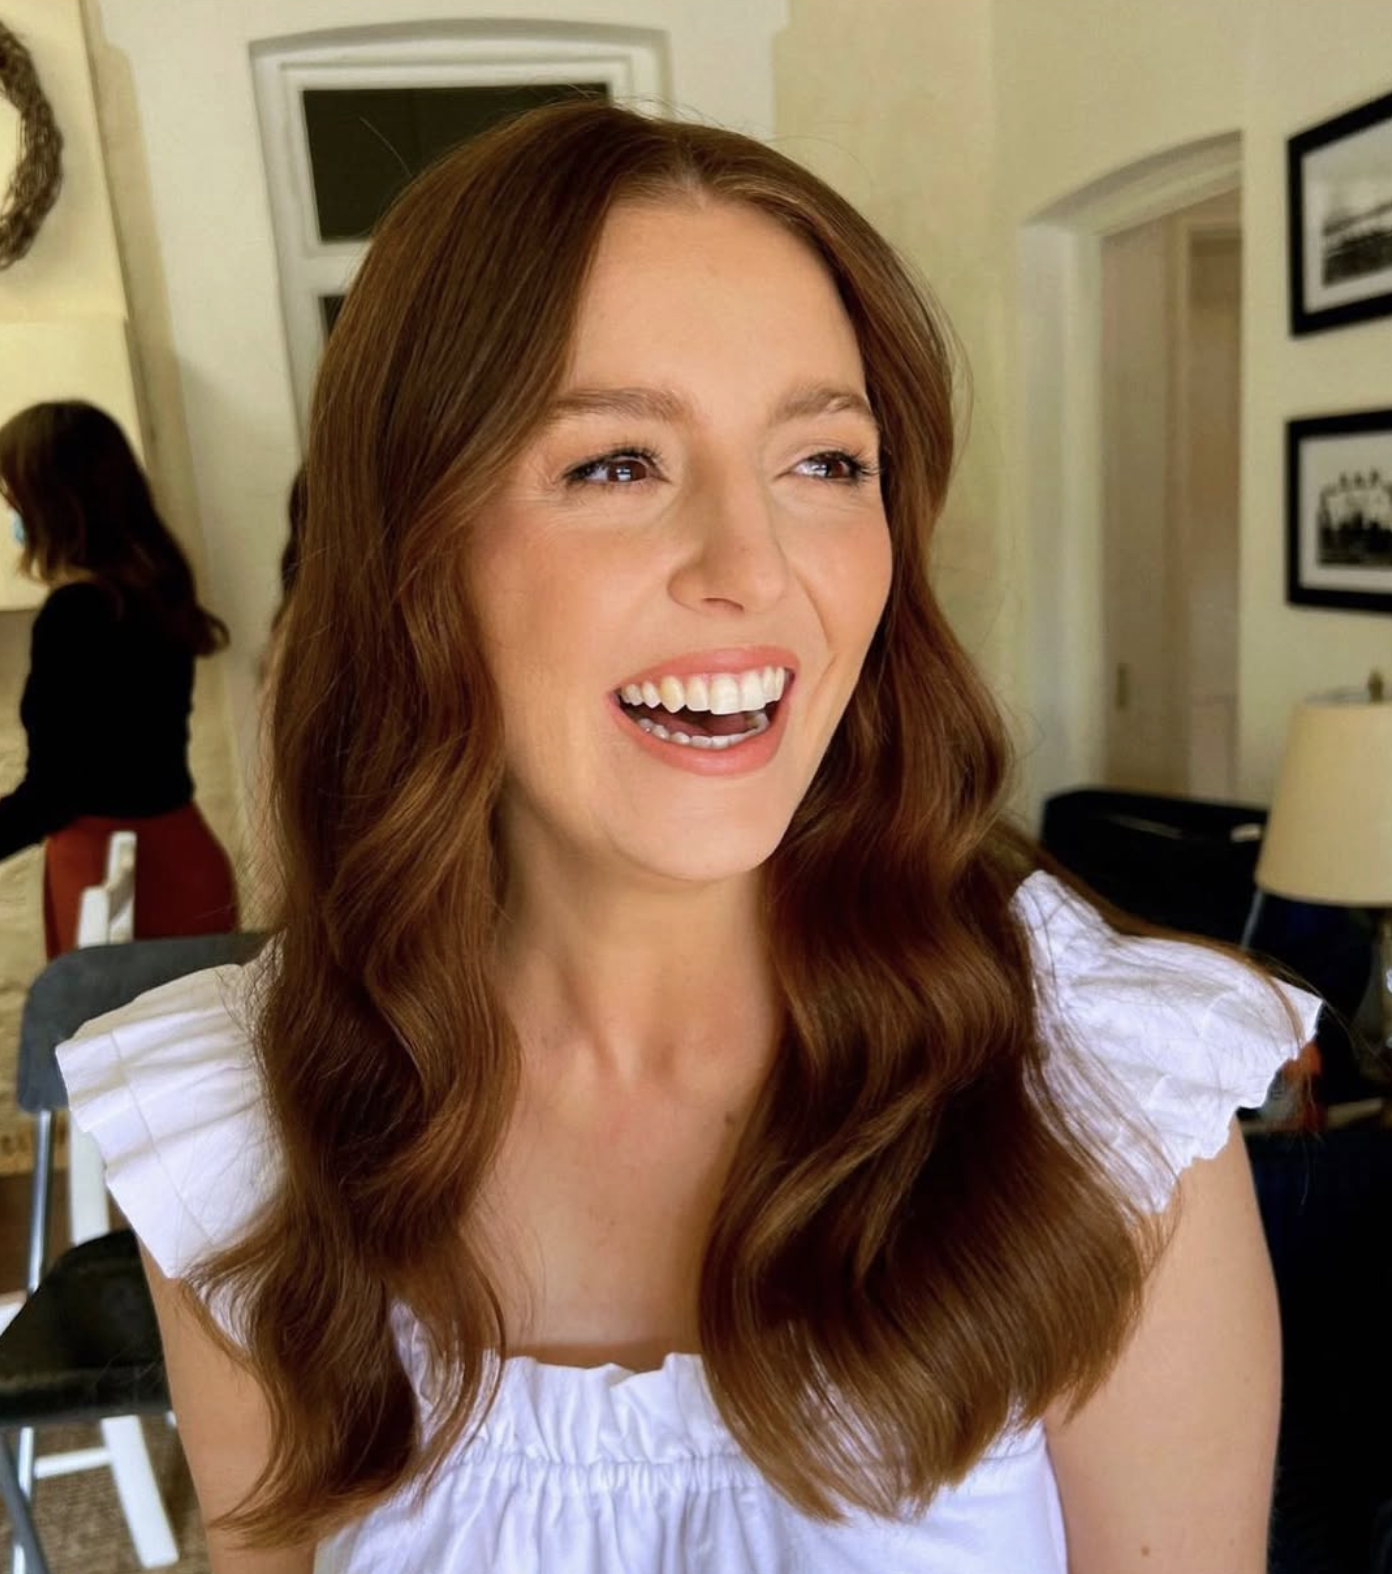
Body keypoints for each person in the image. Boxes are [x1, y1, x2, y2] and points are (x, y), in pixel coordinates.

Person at [58, 105, 1316, 1573]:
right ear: (412, 548)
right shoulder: (250, 1132)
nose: (753, 566)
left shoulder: (1100, 1107)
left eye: (828, 462)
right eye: (616, 464)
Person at [0, 400, 238, 954]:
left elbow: (54, 793)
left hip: (115, 880)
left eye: (14, 491)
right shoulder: (156, 593)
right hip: (181, 856)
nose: (10, 506)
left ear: (54, 502)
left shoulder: (77, 614)